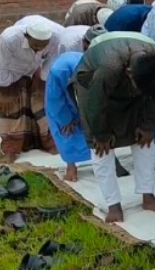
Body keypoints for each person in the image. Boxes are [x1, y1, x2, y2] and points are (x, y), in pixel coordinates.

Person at [73, 35, 155, 222]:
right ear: (129, 73)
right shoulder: (109, 67)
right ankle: (113, 205)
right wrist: (101, 133)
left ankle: (148, 195)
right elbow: (95, 103)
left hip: (135, 95)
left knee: (145, 140)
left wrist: (148, 124)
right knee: (101, 148)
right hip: (93, 87)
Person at [0, 21, 57, 162]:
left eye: (43, 45)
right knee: (11, 106)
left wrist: (42, 81)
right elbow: (1, 66)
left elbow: (50, 61)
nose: (39, 49)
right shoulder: (9, 39)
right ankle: (11, 148)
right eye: (35, 45)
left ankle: (48, 142)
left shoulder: (54, 38)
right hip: (10, 74)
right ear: (26, 36)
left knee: (42, 102)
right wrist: (6, 88)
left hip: (35, 70)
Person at [46, 52, 90, 182]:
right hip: (60, 97)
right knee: (66, 130)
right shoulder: (58, 72)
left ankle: (103, 161)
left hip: (84, 93)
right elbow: (55, 99)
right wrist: (66, 119)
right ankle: (71, 166)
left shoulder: (90, 66)